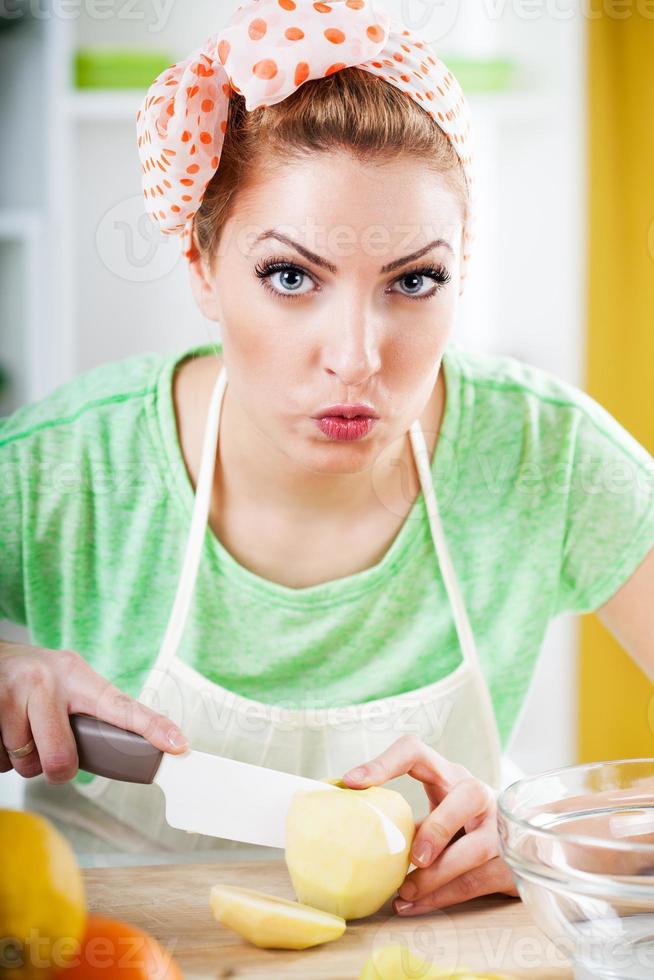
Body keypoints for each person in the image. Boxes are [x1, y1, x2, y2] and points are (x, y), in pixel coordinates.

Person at [1, 0, 653, 916]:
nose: (357, 354)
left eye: (414, 280)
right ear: (200, 267)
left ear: (461, 269)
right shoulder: (64, 470)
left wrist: (555, 842)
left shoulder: (546, 455)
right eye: (291, 276)